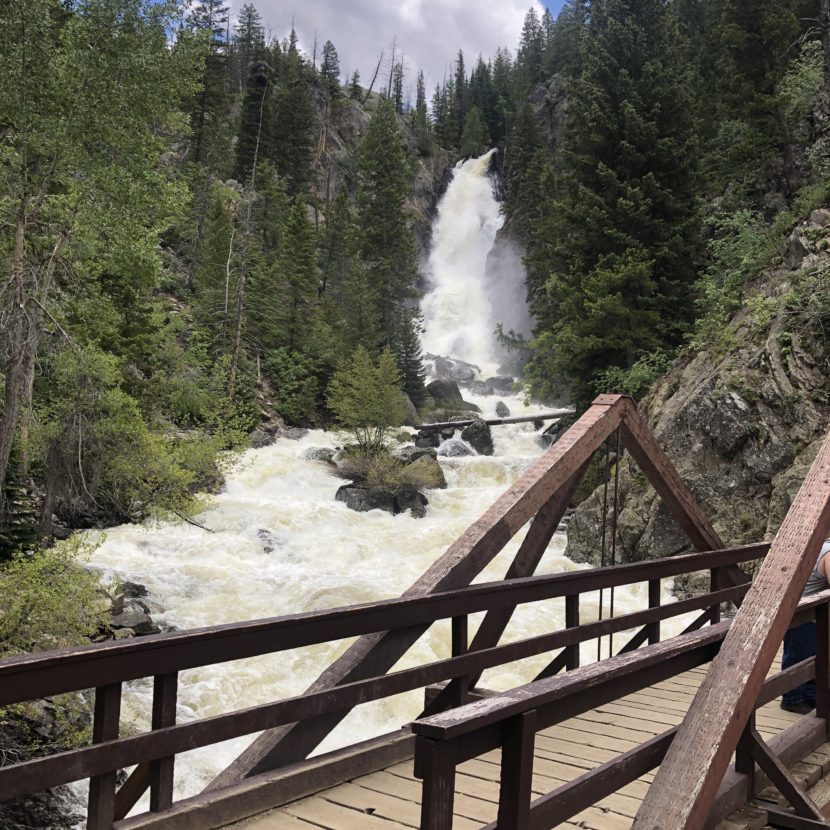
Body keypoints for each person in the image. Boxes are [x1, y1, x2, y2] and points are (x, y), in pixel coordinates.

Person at [781, 538, 830, 714]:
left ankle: (810, 694)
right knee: (797, 657)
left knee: (813, 654)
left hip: (808, 612)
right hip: (802, 614)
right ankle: (791, 699)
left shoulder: (819, 546)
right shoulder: (828, 553)